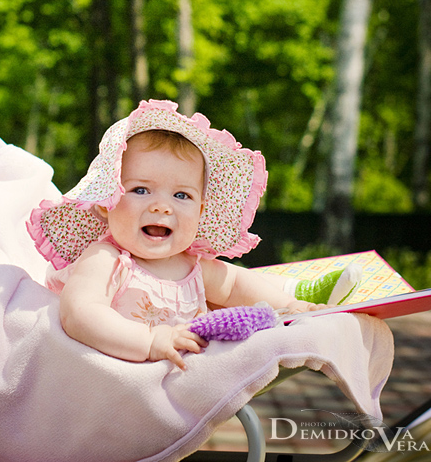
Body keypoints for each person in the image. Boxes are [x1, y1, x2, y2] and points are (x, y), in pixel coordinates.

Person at [28, 99, 361, 370]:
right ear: (106, 201)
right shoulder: (105, 258)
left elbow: (236, 284)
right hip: (111, 373)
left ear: (201, 211)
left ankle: (296, 291)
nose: (162, 207)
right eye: (141, 190)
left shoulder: (192, 265)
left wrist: (288, 307)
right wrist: (149, 341)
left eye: (181, 195)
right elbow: (80, 314)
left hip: (180, 378)